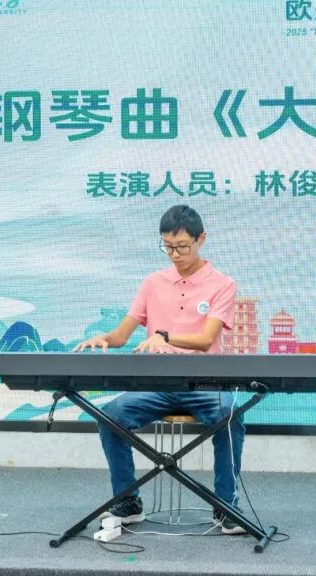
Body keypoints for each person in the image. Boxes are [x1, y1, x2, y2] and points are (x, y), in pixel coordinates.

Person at [73, 205, 246, 535]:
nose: (175, 254)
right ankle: (128, 501)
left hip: (204, 385)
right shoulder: (153, 283)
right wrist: (104, 339)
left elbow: (205, 339)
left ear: (201, 240)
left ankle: (226, 507)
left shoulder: (222, 284)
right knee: (111, 416)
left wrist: (164, 336)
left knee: (230, 417)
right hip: (157, 384)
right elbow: (122, 335)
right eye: (168, 246)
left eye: (182, 246)